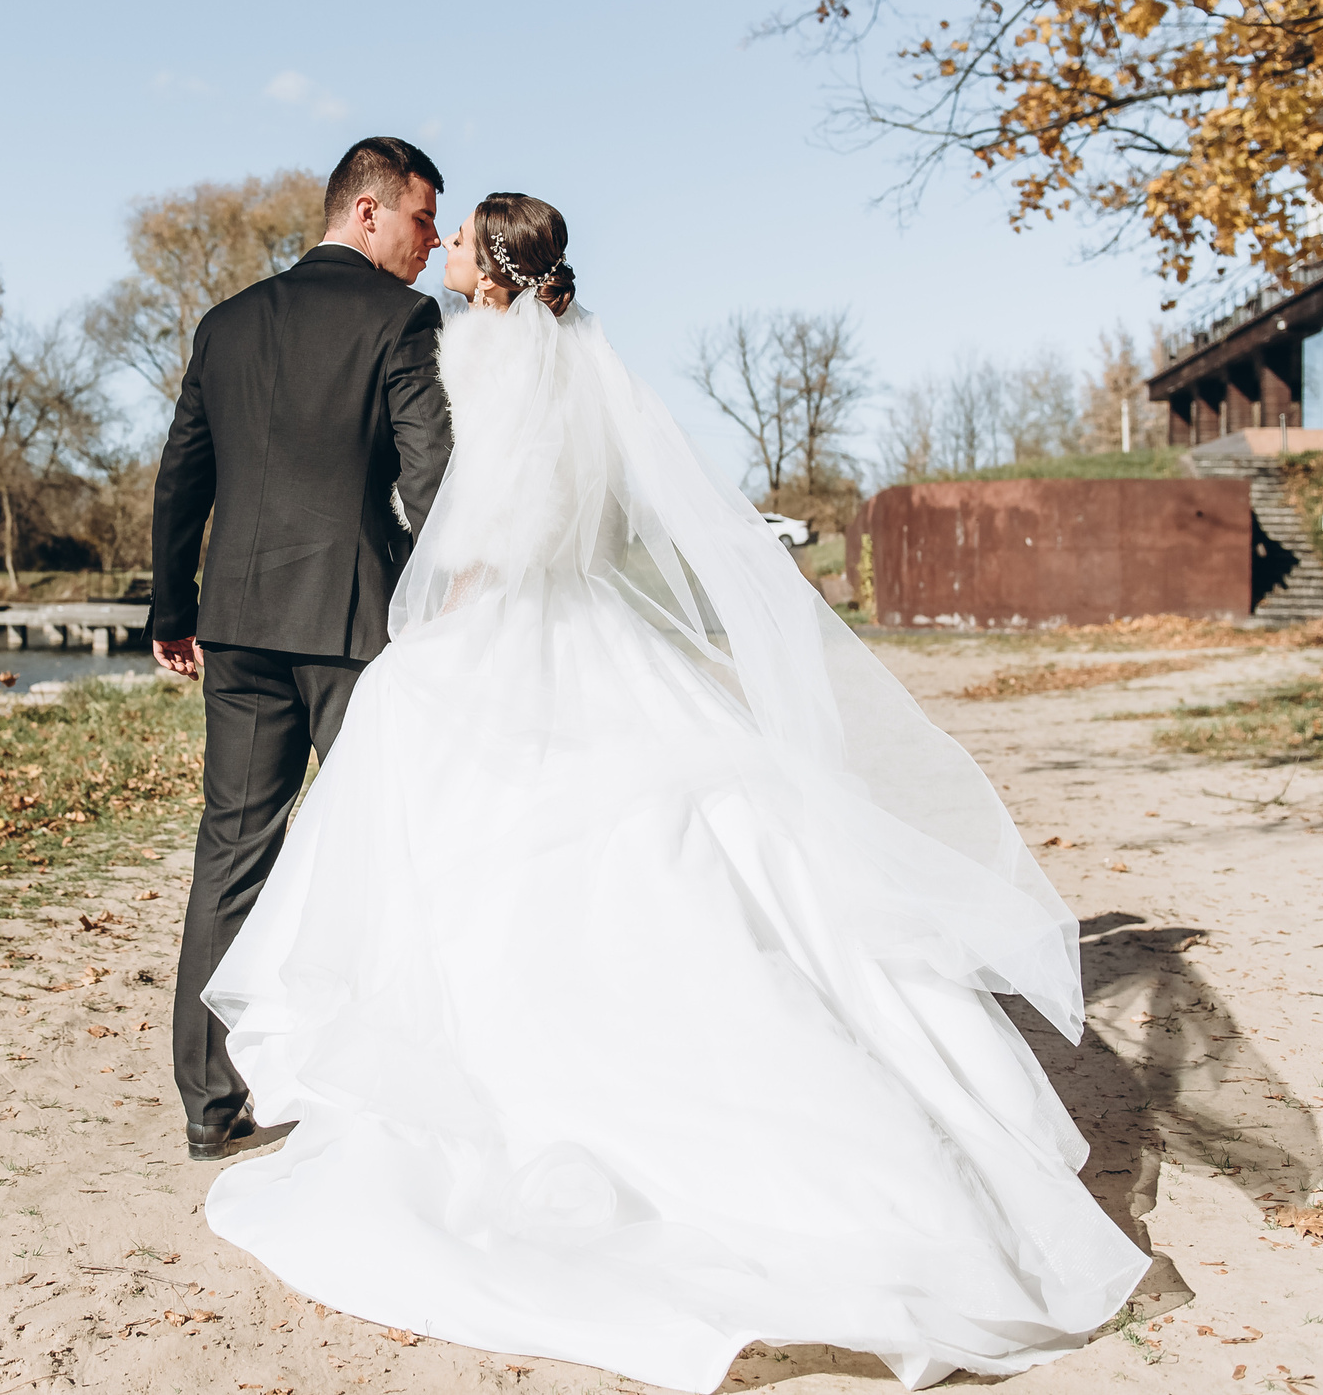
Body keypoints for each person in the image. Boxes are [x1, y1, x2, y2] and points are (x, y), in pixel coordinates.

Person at [196, 192, 1149, 1391]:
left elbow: (518, 509)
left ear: (488, 264)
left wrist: (457, 583)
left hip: (511, 621)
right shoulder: (543, 343)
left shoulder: (500, 354)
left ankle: (506, 1092)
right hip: (565, 626)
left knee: (499, 853)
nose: (436, 248)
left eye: (456, 237)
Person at [147, 135, 454, 1163]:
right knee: (391, 843)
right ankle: (391, 1076)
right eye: (419, 219)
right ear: (366, 212)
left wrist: (169, 606)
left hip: (234, 619)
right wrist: (451, 588)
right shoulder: (404, 319)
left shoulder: (226, 324)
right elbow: (432, 479)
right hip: (352, 624)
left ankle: (211, 1102)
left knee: (231, 850)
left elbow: (180, 473)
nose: (427, 243)